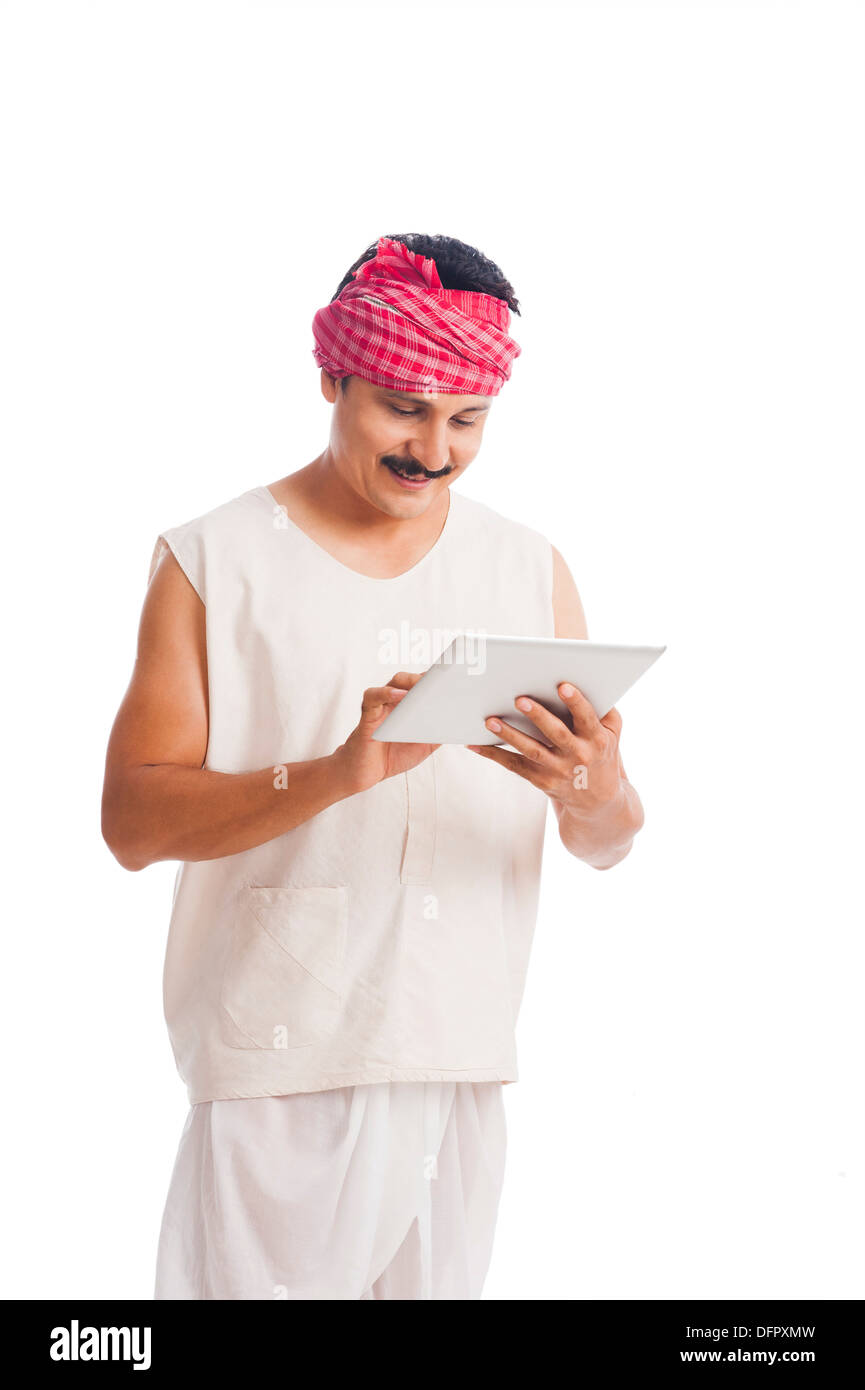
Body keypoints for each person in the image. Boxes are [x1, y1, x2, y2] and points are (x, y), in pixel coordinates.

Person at [101, 233, 645, 1300]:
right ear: (331, 376)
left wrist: (593, 789)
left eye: (466, 420)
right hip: (278, 1057)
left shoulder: (527, 567)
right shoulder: (213, 560)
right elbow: (131, 822)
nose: (433, 448)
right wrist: (337, 772)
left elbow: (611, 839)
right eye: (401, 405)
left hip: (460, 1054)